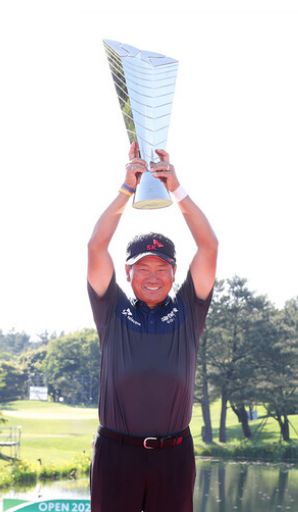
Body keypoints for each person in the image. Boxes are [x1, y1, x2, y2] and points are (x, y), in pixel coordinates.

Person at [87, 141, 218, 512]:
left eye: (162, 268)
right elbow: (96, 247)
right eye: (143, 268)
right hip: (116, 454)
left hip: (173, 455)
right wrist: (126, 188)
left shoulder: (189, 309)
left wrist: (175, 188)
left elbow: (209, 246)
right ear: (128, 272)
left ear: (174, 272)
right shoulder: (111, 309)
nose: (153, 276)